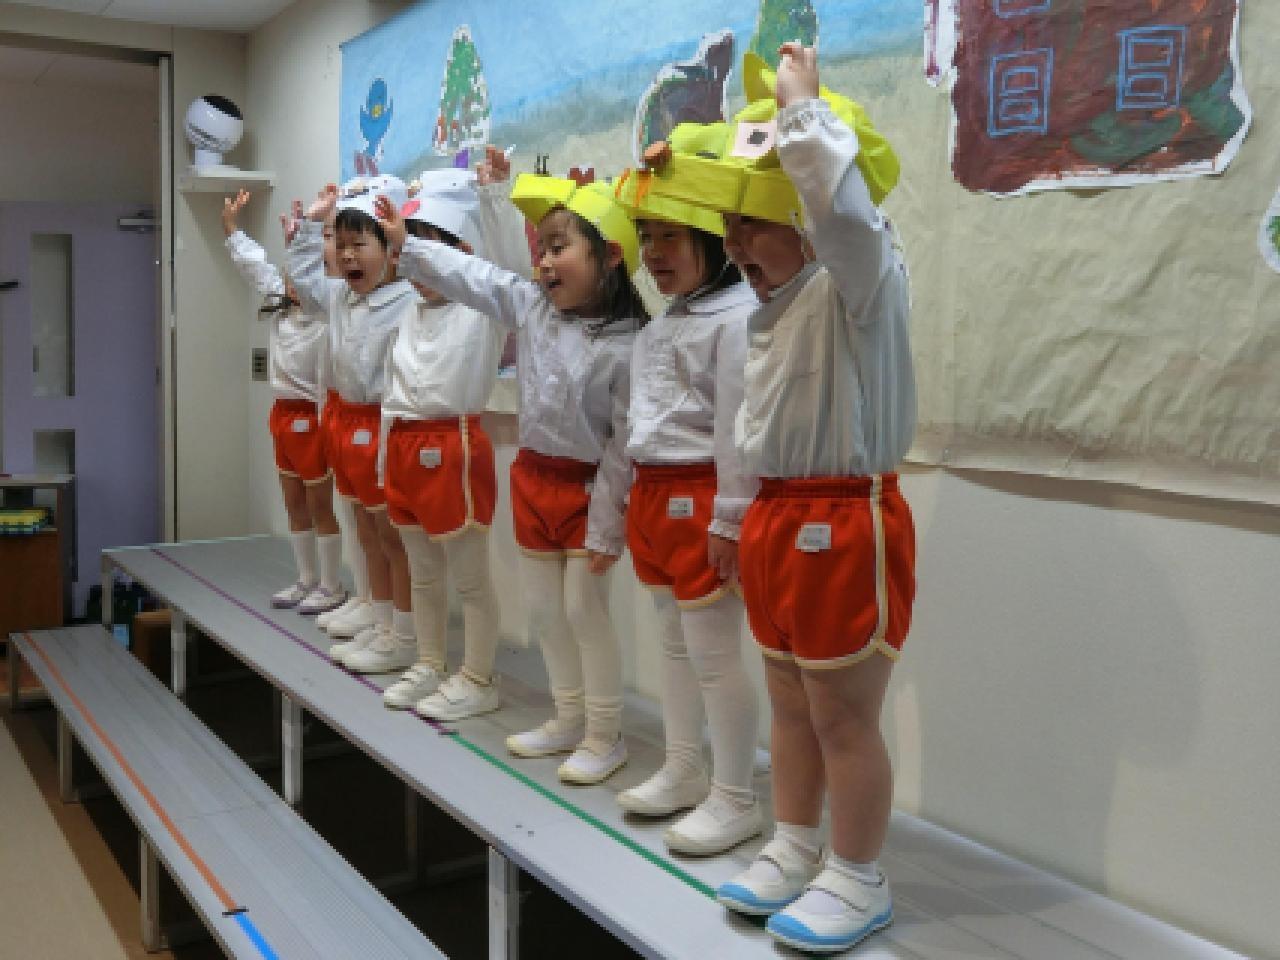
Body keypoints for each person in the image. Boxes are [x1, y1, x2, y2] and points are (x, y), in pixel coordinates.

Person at [654, 46, 914, 953]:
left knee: (843, 714)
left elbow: (844, 215)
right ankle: (798, 844)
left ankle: (859, 873)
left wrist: (802, 115)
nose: (732, 245)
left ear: (806, 215)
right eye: (728, 223)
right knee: (791, 704)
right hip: (778, 515)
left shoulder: (860, 281)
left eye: (752, 223)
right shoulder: (775, 304)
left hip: (844, 518)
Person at [375, 150, 643, 771]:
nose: (543, 261)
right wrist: (407, 246)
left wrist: (607, 522)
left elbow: (623, 444)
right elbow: (474, 274)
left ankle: (605, 734)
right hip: (534, 480)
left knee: (584, 611)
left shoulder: (630, 342)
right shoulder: (530, 307)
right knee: (546, 612)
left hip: (590, 490)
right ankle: (568, 716)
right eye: (541, 249)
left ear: (609, 257)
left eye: (559, 248)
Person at [610, 163, 762, 854]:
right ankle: (683, 767)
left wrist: (729, 516)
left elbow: (736, 428)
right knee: (673, 644)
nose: (654, 252)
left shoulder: (739, 318)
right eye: (646, 236)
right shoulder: (660, 327)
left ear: (714, 237)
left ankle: (735, 796)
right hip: (653, 494)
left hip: (701, 495)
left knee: (713, 655)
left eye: (671, 235)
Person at [359, 169, 506, 712]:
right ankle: (429, 661)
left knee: (470, 577)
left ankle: (479, 678)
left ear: (460, 254)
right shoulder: (409, 313)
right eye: (407, 253)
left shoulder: (482, 309)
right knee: (421, 571)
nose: (413, 266)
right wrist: (384, 462)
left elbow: (505, 269)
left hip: (453, 448)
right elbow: (393, 395)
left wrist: (494, 196)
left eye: (425, 252)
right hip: (402, 446)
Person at [288, 175, 420, 669]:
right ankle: (379, 619)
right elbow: (304, 281)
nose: (345, 257)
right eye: (339, 245)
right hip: (347, 419)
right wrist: (310, 226)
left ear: (391, 248)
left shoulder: (407, 299)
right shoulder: (342, 297)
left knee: (392, 536)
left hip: (384, 425)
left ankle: (403, 633)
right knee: (365, 528)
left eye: (358, 245)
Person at [220, 190, 346, 615]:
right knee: (293, 502)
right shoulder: (280, 303)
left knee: (319, 503)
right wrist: (231, 229)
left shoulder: (325, 312)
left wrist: (314, 228)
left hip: (313, 417)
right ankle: (306, 579)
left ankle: (331, 585)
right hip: (282, 416)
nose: (293, 285)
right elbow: (254, 267)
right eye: (290, 277)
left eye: (302, 278)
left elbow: (313, 272)